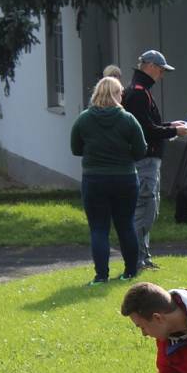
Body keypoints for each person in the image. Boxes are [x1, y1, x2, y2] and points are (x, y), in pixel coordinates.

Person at [70, 76, 147, 285]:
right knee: (126, 225)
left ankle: (101, 275)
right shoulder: (128, 119)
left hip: (94, 178)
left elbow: (76, 149)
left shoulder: (84, 119)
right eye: (121, 93)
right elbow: (141, 150)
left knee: (98, 228)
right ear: (117, 94)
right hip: (125, 178)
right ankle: (130, 272)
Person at [123, 50, 187, 270]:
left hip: (149, 160)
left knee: (150, 208)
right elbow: (146, 130)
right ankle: (137, 258)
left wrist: (170, 125)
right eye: (160, 70)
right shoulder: (138, 93)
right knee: (144, 208)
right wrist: (173, 132)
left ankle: (143, 256)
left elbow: (149, 124)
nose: (161, 75)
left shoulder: (141, 92)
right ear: (150, 67)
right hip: (144, 161)